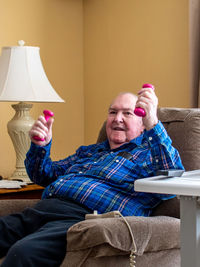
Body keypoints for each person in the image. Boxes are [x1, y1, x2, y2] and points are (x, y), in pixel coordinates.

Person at [0, 87, 184, 266]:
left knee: (23, 254)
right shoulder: (89, 152)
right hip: (42, 210)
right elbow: (43, 175)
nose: (117, 118)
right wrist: (41, 146)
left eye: (127, 113)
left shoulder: (149, 155)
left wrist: (153, 122)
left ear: (143, 124)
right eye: (113, 112)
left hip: (82, 221)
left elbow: (172, 176)